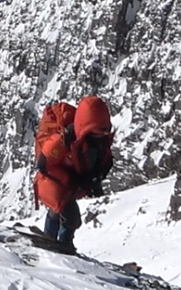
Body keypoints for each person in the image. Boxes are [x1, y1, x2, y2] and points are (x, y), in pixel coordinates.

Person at [34, 95, 116, 252]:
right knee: (70, 216)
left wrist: (93, 181)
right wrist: (71, 180)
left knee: (63, 213)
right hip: (51, 180)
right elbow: (44, 164)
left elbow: (103, 163)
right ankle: (63, 244)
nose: (98, 137)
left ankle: (52, 240)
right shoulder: (63, 140)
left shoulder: (99, 143)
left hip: (69, 183)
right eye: (94, 133)